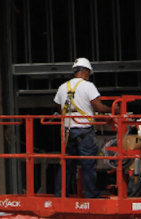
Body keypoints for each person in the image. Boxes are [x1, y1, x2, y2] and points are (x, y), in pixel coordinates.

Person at [53, 57, 111, 199]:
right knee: (88, 165)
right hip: (84, 131)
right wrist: (112, 109)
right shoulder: (88, 86)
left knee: (66, 165)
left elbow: (61, 109)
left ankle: (60, 196)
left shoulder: (62, 87)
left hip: (67, 132)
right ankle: (91, 197)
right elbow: (98, 106)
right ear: (85, 71)